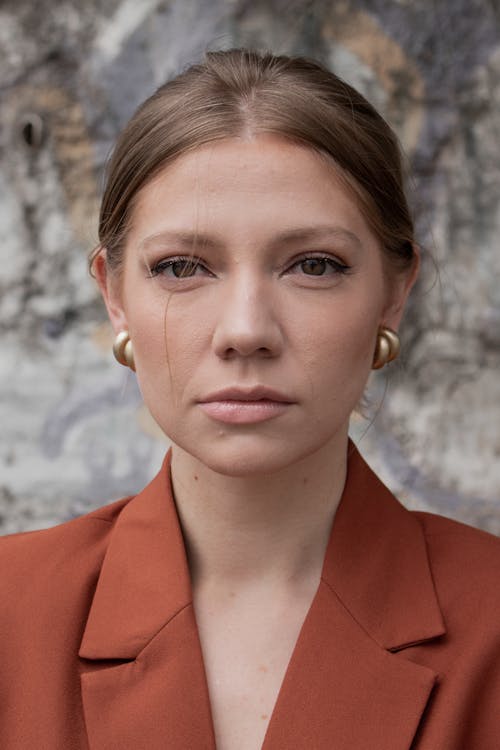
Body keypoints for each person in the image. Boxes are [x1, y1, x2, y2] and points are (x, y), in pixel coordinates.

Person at [1, 48, 499, 750]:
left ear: (393, 293)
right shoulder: (9, 613)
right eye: (182, 267)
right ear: (114, 295)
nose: (245, 331)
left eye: (314, 265)